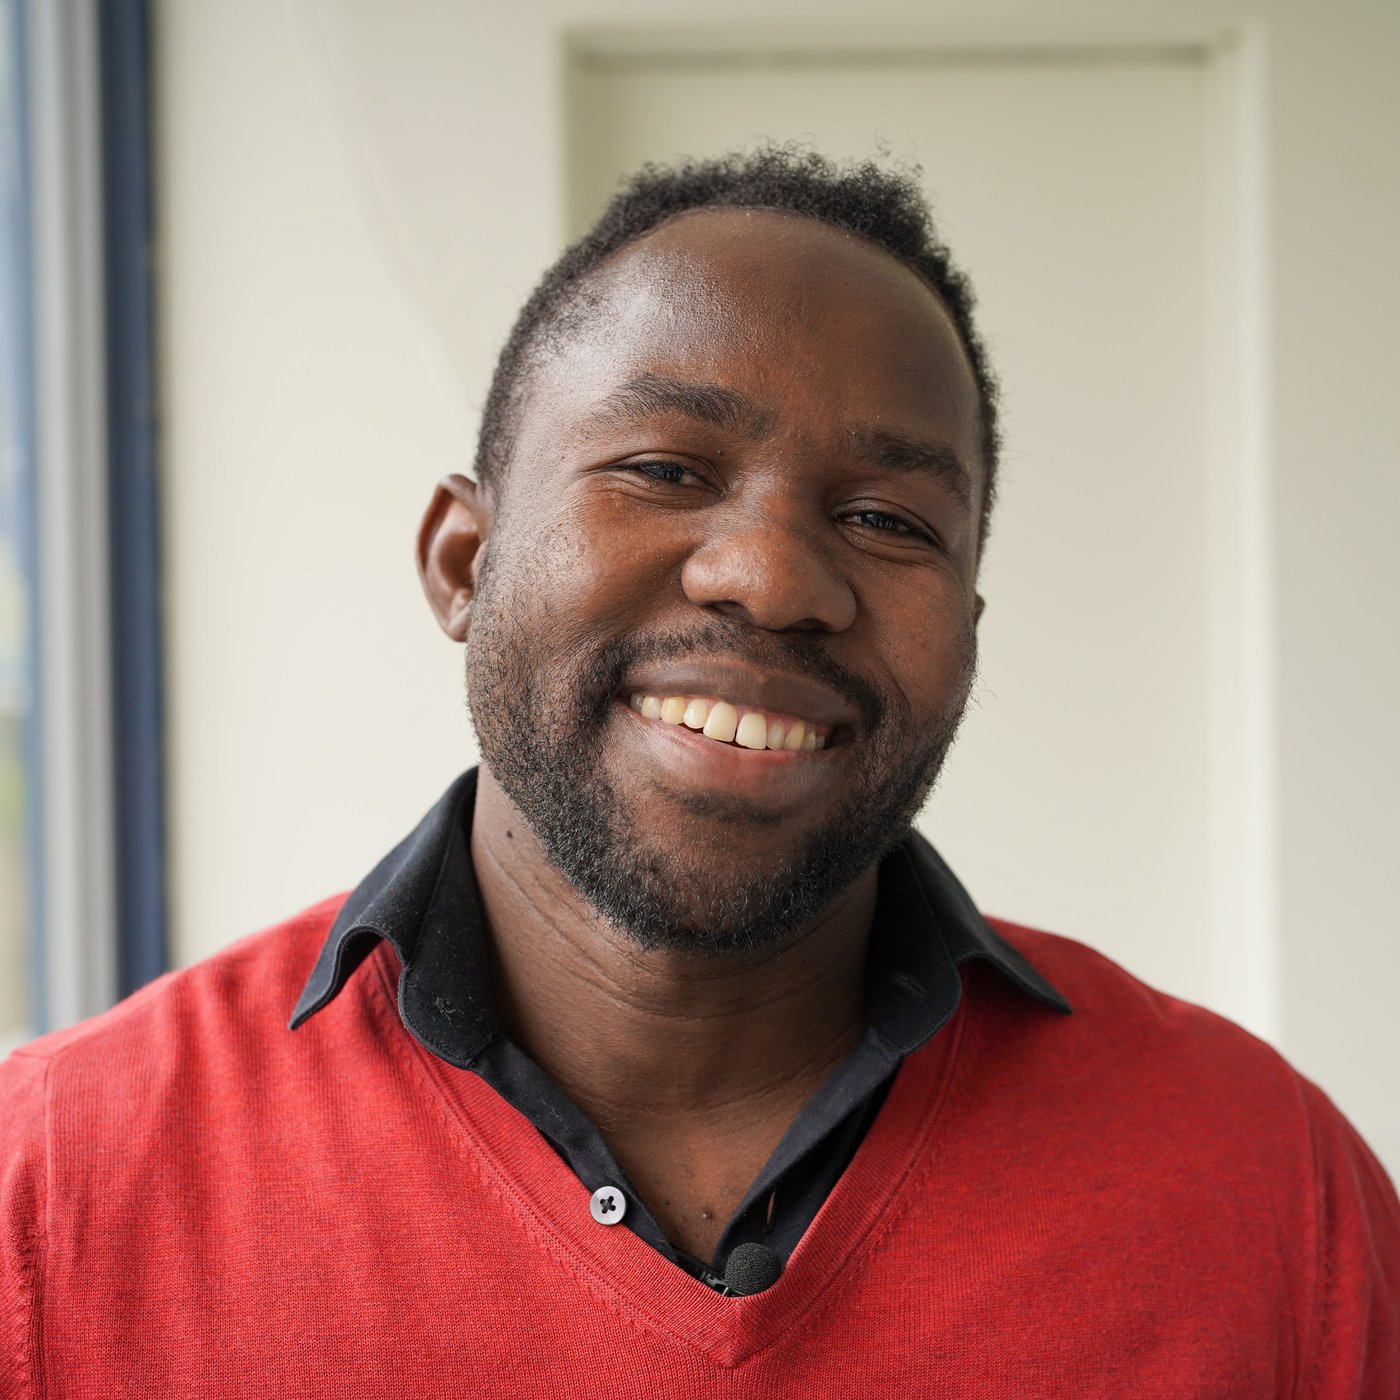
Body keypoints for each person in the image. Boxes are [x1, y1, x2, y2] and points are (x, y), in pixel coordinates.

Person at [2, 148, 1397, 1397]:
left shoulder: (1266, 1188)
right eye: (668, 469)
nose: (777, 579)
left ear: (967, 640)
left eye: (884, 518)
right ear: (464, 564)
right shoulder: (52, 1195)